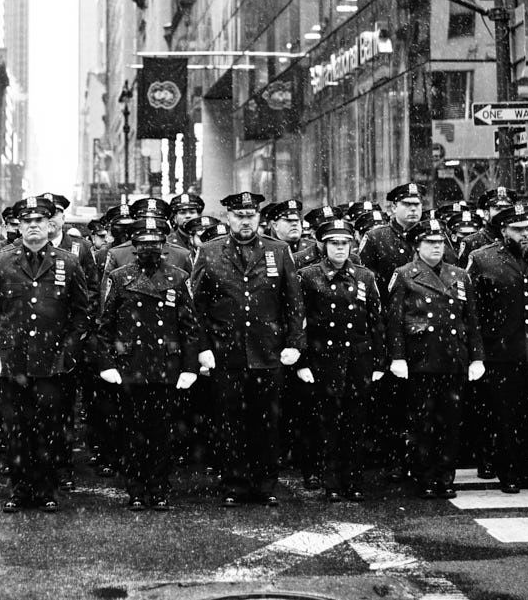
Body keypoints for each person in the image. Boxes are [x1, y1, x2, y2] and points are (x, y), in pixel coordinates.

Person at [190, 191, 306, 507]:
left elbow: (293, 303)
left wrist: (295, 344)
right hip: (226, 353)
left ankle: (265, 484)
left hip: (267, 352)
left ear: (259, 218)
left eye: (251, 215)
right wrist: (202, 348)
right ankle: (235, 484)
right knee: (230, 422)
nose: (245, 221)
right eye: (240, 216)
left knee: (267, 422)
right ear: (228, 217)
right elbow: (196, 307)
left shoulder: (278, 250)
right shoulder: (210, 252)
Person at [0, 196, 91, 512]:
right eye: (26, 222)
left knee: (49, 428)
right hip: (12, 361)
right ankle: (20, 489)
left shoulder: (67, 262)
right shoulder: (2, 261)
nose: (32, 227)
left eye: (39, 221)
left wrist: (68, 352)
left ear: (49, 224)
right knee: (15, 429)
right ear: (18, 225)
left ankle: (46, 489)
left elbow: (81, 313)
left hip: (51, 362)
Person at [93, 215, 201, 511]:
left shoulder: (178, 277)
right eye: (142, 244)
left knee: (163, 433)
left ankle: (160, 488)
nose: (149, 249)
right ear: (134, 246)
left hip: (166, 367)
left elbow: (190, 327)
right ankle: (136, 489)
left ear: (164, 246)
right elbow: (104, 326)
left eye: (155, 244)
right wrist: (107, 364)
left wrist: (190, 367)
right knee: (132, 432)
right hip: (130, 366)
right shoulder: (119, 277)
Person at [468, 203, 528, 493]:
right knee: (504, 415)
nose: (525, 234)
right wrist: (478, 352)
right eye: (518, 229)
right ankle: (507, 470)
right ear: (503, 230)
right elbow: (472, 311)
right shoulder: (483, 259)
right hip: (501, 351)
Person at [385, 218, 483, 499]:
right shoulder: (404, 274)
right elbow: (394, 321)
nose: (437, 247)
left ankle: (445, 476)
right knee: (423, 422)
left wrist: (477, 357)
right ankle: (426, 475)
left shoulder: (459, 275)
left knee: (450, 422)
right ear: (418, 245)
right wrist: (397, 357)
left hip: (453, 358)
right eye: (430, 242)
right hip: (422, 359)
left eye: (440, 242)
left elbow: (471, 320)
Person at [295, 215, 384, 501]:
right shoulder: (308, 276)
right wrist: (302, 362)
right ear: (323, 245)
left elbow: (376, 322)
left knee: (356, 423)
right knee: (327, 424)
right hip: (324, 359)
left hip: (357, 360)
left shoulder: (365, 276)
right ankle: (332, 482)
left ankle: (354, 481)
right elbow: (300, 322)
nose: (340, 249)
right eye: (334, 243)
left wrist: (379, 362)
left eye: (345, 243)